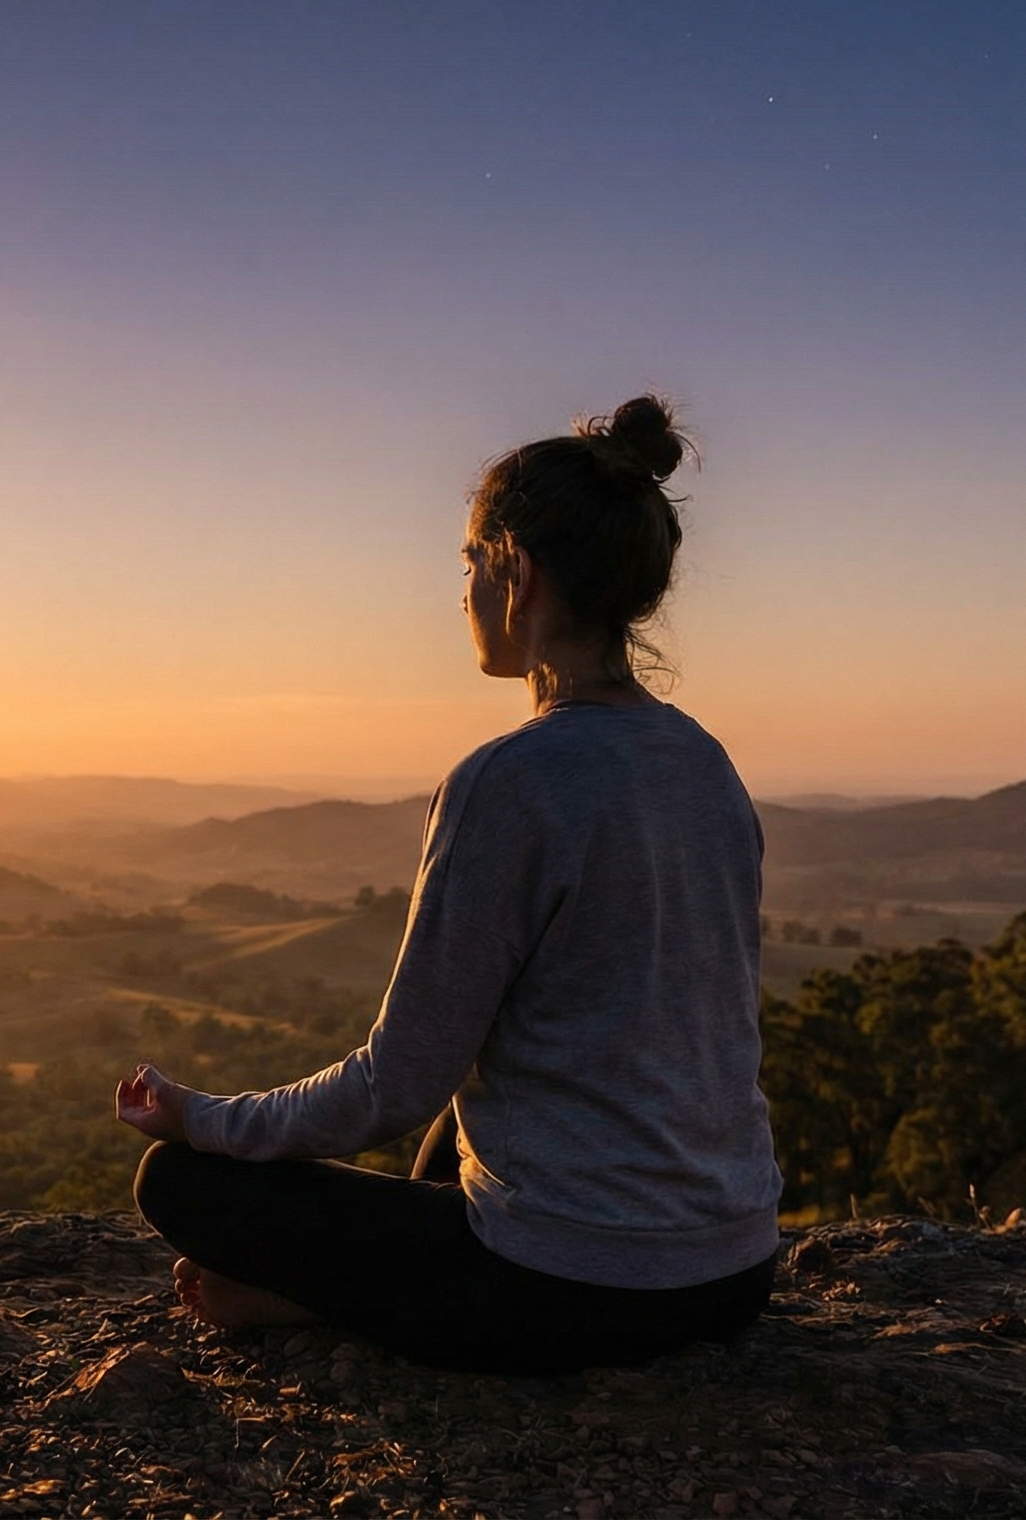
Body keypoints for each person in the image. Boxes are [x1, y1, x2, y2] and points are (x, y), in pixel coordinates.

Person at [113, 396, 780, 1373]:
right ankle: (335, 1291)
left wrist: (202, 1119)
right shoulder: (704, 763)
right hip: (732, 1269)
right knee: (454, 1135)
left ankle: (309, 1300)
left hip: (575, 1288)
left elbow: (393, 1081)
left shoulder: (508, 781)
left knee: (178, 1183)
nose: (460, 590)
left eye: (467, 563)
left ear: (516, 570)